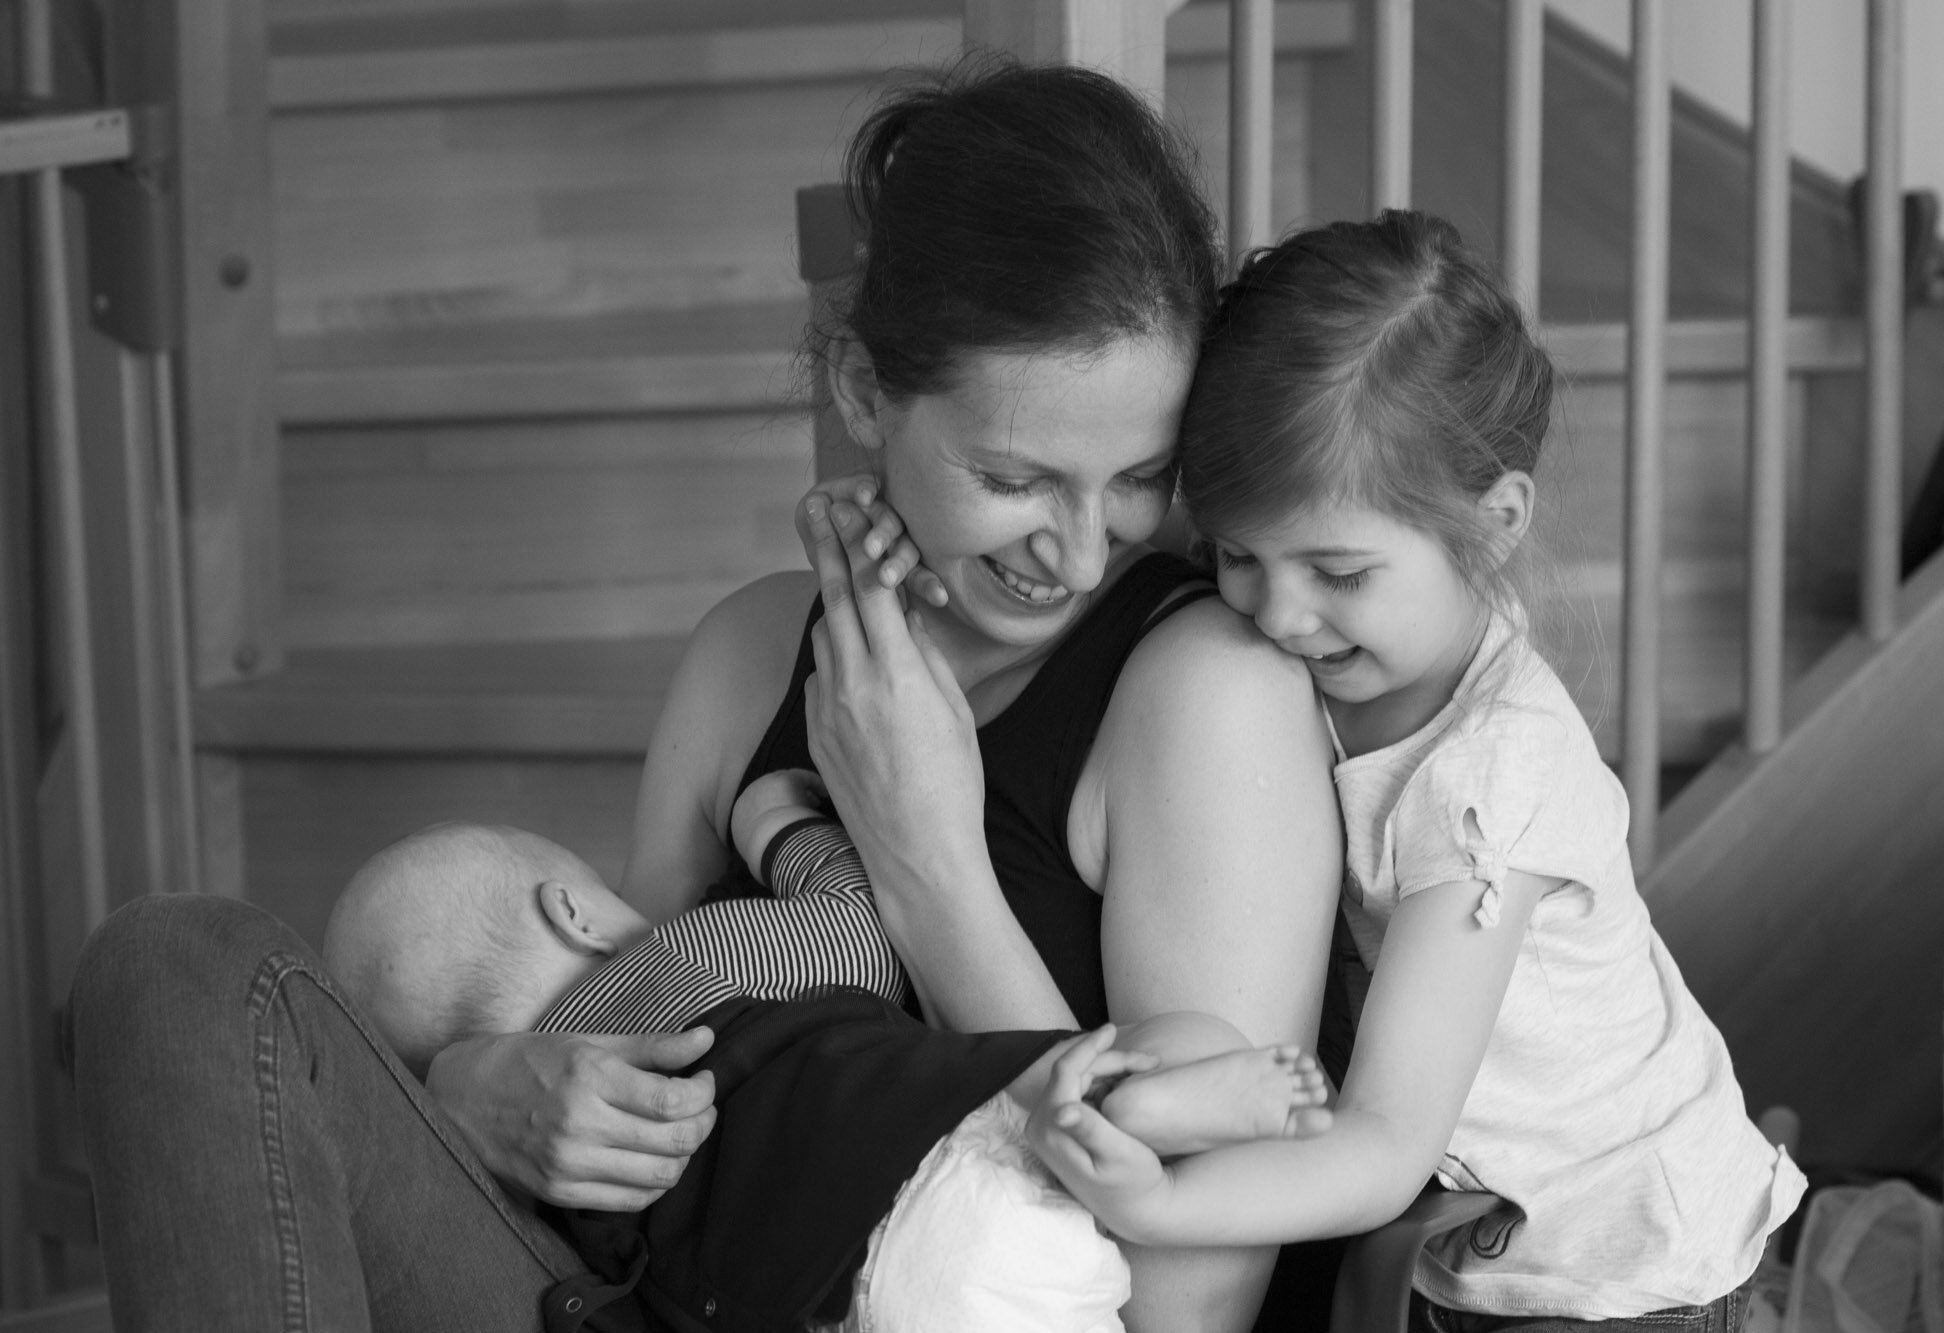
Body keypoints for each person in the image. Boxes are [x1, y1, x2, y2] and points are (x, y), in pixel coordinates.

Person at [64, 59, 1341, 1333]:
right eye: (1013, 476)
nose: (1076, 548)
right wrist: (474, 1086)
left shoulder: (1200, 693)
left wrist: (927, 857)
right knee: (175, 967)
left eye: (1136, 477)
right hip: (639, 1288)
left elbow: (1191, 1302)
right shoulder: (745, 656)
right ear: (860, 390)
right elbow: (639, 996)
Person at [1016, 211, 1808, 1332]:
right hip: (1471, 1240)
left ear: (1491, 528)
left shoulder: (1487, 780)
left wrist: (1158, 1203)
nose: (1280, 614)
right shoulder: (1353, 660)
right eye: (1237, 554)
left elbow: (1384, 1143)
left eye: (1335, 572)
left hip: (1621, 1278)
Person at [318, 784, 1331, 1333]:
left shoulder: (545, 1179)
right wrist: (780, 822)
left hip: (806, 1306)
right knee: (1175, 1041)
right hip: (941, 1178)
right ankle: (1131, 1103)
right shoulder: (686, 954)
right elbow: (859, 933)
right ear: (574, 912)